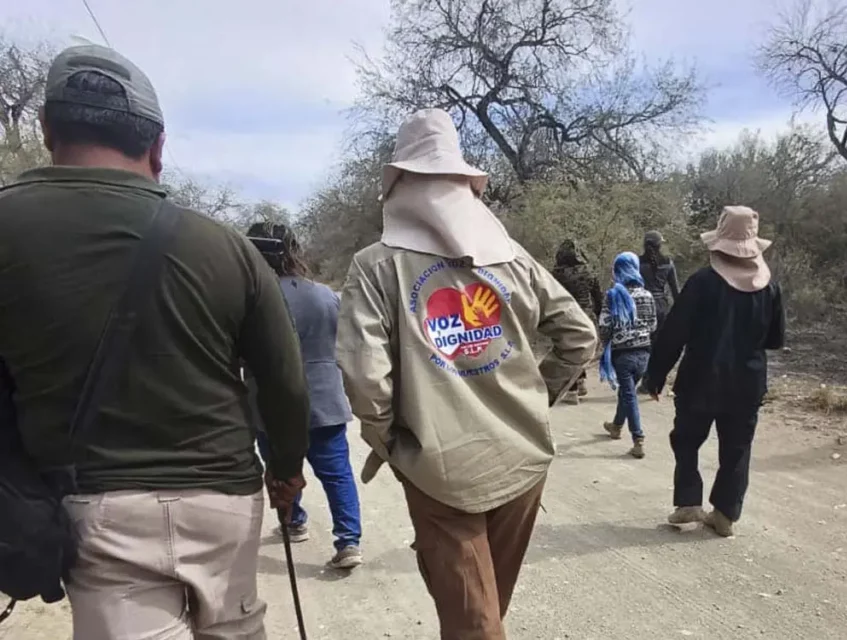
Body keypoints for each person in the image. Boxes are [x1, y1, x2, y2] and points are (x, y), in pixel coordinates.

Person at [0, 44, 309, 638]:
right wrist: (287, 470)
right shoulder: (226, 246)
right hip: (224, 498)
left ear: (46, 129)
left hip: (96, 506)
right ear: (158, 146)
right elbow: (284, 382)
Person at [338, 108, 597, 640]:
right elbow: (581, 336)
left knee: (473, 622)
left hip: (437, 467)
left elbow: (366, 379)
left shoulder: (376, 265)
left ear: (401, 183)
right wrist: (533, 397)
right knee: (483, 612)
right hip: (523, 460)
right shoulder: (513, 257)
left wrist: (392, 439)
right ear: (464, 183)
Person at [646, 206, 784, 538]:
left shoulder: (703, 283)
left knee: (687, 439)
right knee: (737, 448)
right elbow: (775, 339)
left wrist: (655, 376)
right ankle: (725, 514)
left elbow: (673, 334)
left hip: (700, 380)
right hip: (748, 383)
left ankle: (689, 502)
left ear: (719, 243)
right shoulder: (770, 288)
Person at [246, 222, 364, 570]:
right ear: (294, 251)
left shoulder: (251, 299)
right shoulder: (326, 296)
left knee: (280, 467)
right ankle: (348, 541)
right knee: (337, 473)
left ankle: (294, 521)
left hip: (269, 404)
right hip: (324, 400)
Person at [598, 252, 658, 459]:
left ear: (618, 270)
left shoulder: (613, 294)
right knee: (627, 392)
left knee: (629, 395)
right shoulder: (647, 295)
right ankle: (615, 426)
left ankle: (638, 438)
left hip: (622, 354)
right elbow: (653, 325)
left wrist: (606, 345)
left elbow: (604, 326)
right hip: (644, 353)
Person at [551, 239, 603, 403]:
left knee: (568, 351)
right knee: (583, 349)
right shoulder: (588, 271)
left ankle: (573, 389)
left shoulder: (556, 274)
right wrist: (599, 314)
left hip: (567, 315)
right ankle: (580, 382)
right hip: (587, 314)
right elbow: (598, 297)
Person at [638, 230, 679, 392]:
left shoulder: (637, 262)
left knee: (642, 345)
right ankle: (653, 382)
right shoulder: (668, 262)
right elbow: (676, 291)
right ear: (660, 244)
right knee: (658, 346)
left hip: (641, 306)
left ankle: (644, 380)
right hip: (662, 306)